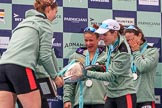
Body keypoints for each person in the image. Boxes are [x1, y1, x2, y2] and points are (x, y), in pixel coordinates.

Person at [0, 0, 64, 108]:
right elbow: (45, 56)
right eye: (55, 12)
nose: (55, 16)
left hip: (2, 68)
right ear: (49, 9)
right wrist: (55, 77)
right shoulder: (45, 24)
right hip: (21, 68)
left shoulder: (22, 23)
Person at [83, 19, 137, 108]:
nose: (102, 38)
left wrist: (86, 73)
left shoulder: (123, 51)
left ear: (114, 33)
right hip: (111, 94)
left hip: (124, 94)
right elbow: (106, 58)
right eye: (101, 35)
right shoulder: (110, 43)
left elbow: (110, 76)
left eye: (105, 34)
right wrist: (93, 65)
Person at [63, 25, 107, 108]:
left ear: (98, 39)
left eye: (91, 40)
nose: (88, 43)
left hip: (102, 102)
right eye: (86, 40)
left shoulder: (106, 57)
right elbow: (69, 81)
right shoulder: (75, 57)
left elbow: (113, 78)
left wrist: (109, 94)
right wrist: (67, 99)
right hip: (81, 102)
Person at [124, 25, 159, 108]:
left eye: (131, 39)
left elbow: (142, 67)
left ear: (139, 35)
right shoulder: (127, 53)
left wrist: (136, 51)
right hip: (127, 98)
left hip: (145, 99)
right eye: (127, 40)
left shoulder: (152, 51)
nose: (129, 43)